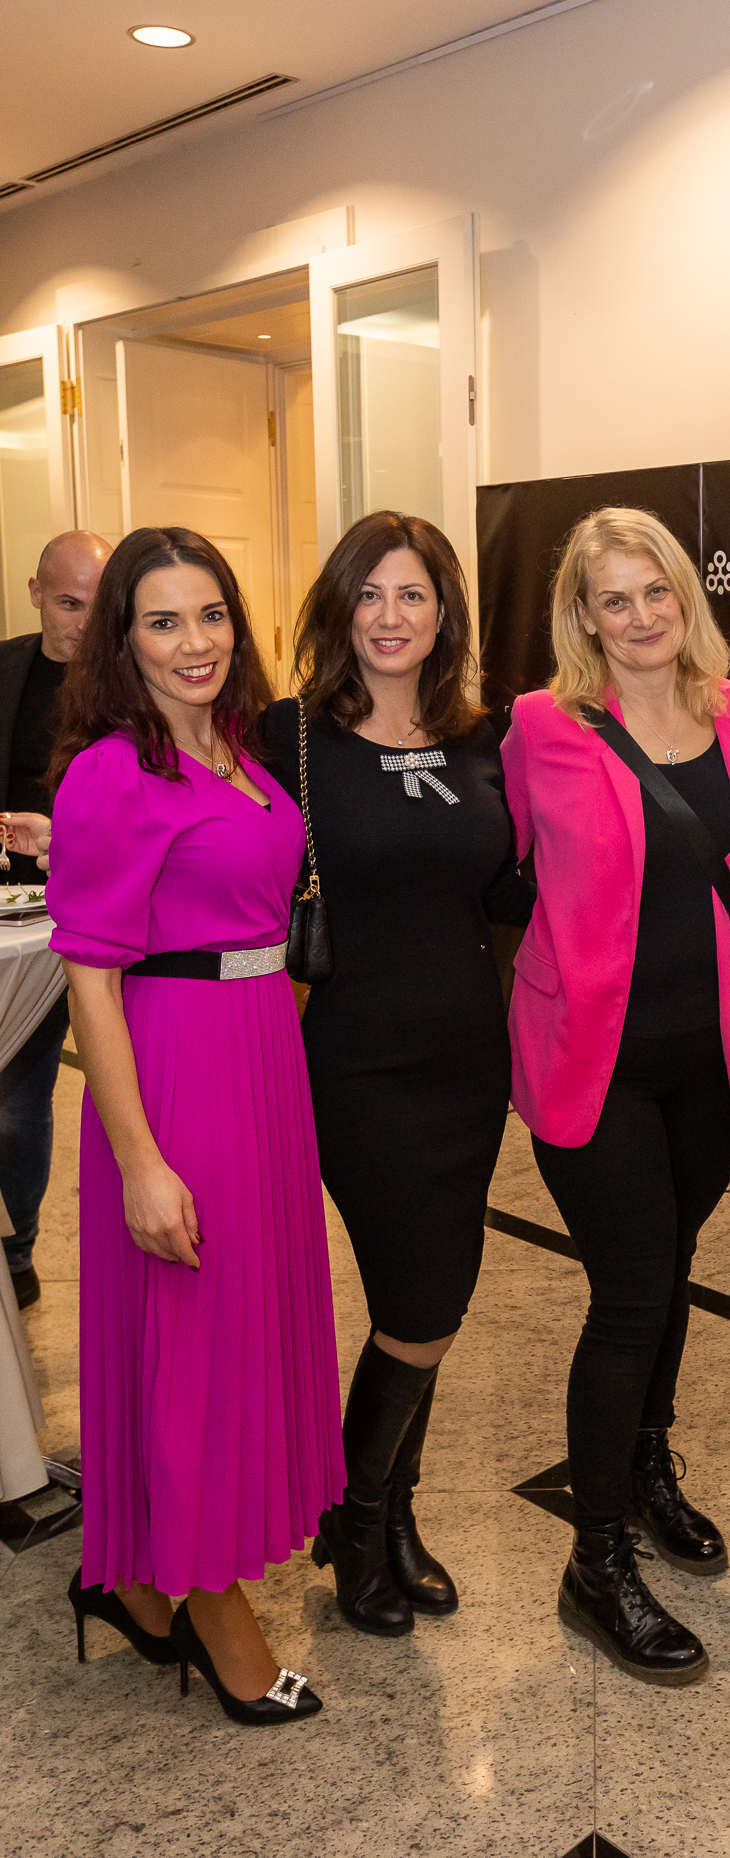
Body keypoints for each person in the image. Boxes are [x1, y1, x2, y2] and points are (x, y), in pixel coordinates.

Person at [47, 525, 341, 1726]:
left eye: (211, 613)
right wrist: (139, 1161)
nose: (194, 641)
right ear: (121, 640)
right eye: (162, 620)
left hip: (260, 1062)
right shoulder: (113, 772)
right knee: (195, 1347)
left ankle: (137, 1581)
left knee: (240, 1330)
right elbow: (88, 978)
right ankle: (217, 1610)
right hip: (175, 1073)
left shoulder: (242, 749)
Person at [501, 507, 730, 1686]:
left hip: (707, 1060)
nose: (641, 615)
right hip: (588, 1058)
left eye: (655, 590)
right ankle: (595, 1557)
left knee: (673, 1268)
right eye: (615, 597)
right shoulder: (540, 725)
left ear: (682, 595)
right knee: (631, 1291)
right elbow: (494, 859)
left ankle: (648, 1464)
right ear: (583, 615)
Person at [262, 511, 532, 1638]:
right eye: (368, 594)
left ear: (443, 612)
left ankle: (391, 1515)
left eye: (411, 594)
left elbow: (510, 890)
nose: (389, 615)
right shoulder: (288, 738)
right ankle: (356, 1516)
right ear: (340, 608)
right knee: (421, 1303)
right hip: (355, 1065)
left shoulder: (485, 738)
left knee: (429, 1297)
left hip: (467, 1061)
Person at [0, 530, 112, 1307]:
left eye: (100, 606)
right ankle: (17, 1249)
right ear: (37, 593)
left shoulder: (135, 681)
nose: (85, 624)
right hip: (18, 926)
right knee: (16, 1095)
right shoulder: (6, 670)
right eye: (70, 604)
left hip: (111, 916)